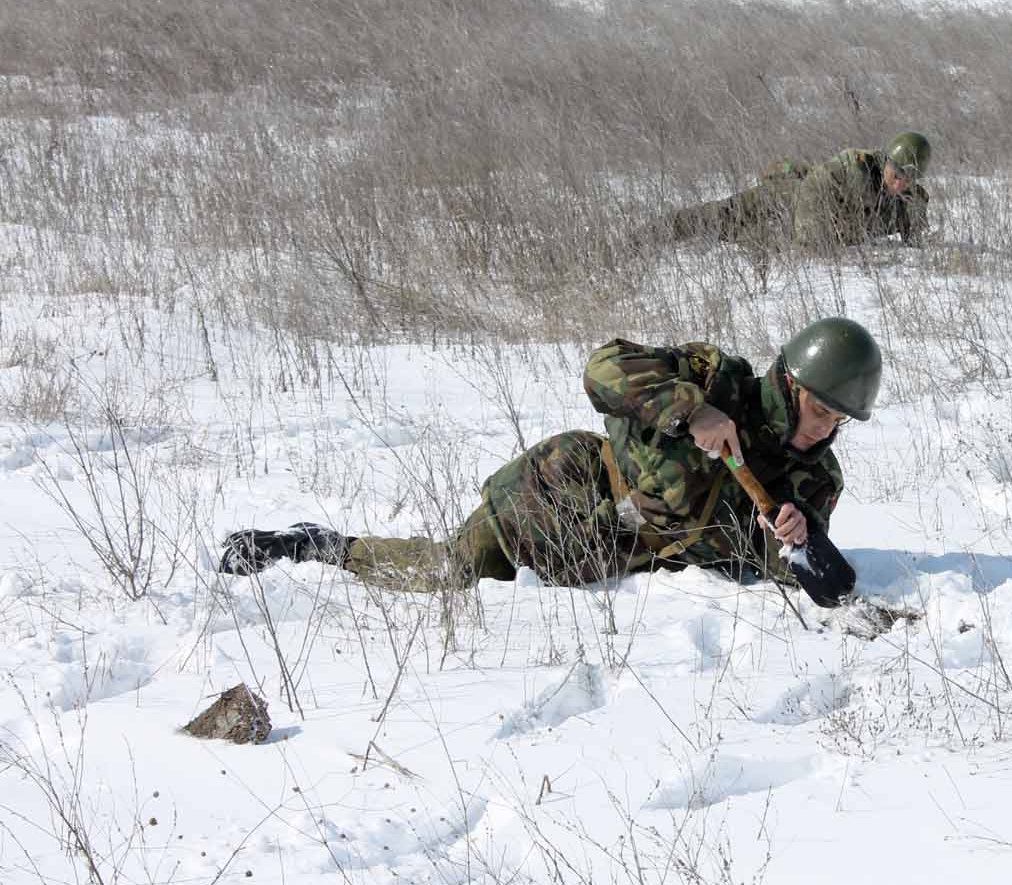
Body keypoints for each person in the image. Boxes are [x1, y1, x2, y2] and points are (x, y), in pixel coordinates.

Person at [218, 317, 883, 597]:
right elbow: (604, 369)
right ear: (789, 384)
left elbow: (809, 576)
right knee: (452, 572)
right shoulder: (716, 379)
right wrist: (690, 409)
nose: (823, 429)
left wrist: (791, 537)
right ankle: (316, 546)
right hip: (570, 485)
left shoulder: (815, 479)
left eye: (837, 420)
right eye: (819, 410)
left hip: (621, 547)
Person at [653, 131, 933, 253]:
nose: (900, 184)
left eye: (908, 180)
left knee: (739, 236)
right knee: (721, 216)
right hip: (786, 199)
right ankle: (649, 235)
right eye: (896, 176)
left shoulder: (911, 198)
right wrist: (812, 247)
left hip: (800, 228)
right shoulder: (850, 169)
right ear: (885, 163)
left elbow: (914, 232)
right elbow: (812, 195)